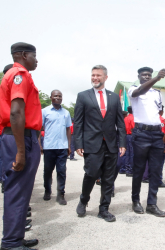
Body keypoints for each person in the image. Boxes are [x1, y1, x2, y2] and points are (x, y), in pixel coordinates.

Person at [0, 42, 40, 250]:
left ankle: (16, 237)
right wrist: (21, 151)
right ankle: (11, 244)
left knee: (21, 191)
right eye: (34, 56)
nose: (37, 60)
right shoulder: (19, 74)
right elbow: (16, 112)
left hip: (22, 137)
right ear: (23, 55)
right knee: (16, 191)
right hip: (19, 138)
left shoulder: (20, 74)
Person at [74, 65, 126, 222]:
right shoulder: (83, 96)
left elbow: (120, 122)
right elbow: (78, 122)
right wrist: (78, 143)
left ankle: (104, 209)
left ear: (105, 77)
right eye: (93, 75)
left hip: (110, 144)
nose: (94, 78)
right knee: (91, 173)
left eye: (98, 75)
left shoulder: (114, 97)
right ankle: (84, 200)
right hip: (91, 143)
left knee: (109, 178)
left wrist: (122, 142)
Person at [128, 66, 165, 217]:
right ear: (139, 77)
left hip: (156, 133)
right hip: (141, 134)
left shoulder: (157, 93)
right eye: (144, 75)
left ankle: (152, 203)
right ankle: (135, 200)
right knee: (138, 170)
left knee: (156, 171)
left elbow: (158, 111)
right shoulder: (134, 89)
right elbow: (140, 91)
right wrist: (156, 78)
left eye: (149, 75)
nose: (146, 77)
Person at [41, 90, 72, 205]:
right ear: (51, 98)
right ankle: (47, 191)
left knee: (62, 171)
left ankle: (61, 194)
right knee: (48, 171)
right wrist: (40, 144)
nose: (58, 98)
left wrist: (69, 145)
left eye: (60, 96)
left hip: (62, 147)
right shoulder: (44, 111)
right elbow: (40, 128)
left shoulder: (66, 113)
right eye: (56, 96)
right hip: (49, 146)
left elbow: (68, 129)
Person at [123, 106, 135, 176]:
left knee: (127, 153)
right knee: (132, 153)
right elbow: (133, 128)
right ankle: (130, 170)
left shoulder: (126, 118)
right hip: (131, 135)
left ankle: (127, 168)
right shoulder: (133, 118)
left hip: (126, 135)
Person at [158, 105, 165, 187]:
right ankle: (159, 180)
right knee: (160, 163)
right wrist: (162, 145)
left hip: (152, 143)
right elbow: (164, 134)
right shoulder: (161, 119)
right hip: (159, 144)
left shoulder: (151, 118)